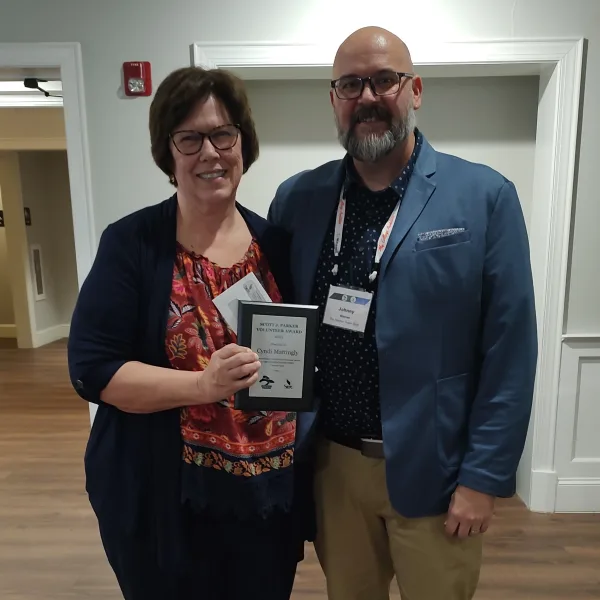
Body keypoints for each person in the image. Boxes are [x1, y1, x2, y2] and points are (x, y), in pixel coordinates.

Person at [267, 26, 538, 600]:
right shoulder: (298, 200)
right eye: (350, 85)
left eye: (384, 80)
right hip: (333, 468)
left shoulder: (484, 197)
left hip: (438, 471)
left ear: (415, 90)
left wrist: (483, 478)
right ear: (334, 100)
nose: (367, 97)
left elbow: (510, 351)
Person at [67, 66, 309, 600]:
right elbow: (93, 370)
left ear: (243, 143)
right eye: (190, 139)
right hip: (163, 502)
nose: (210, 153)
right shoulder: (132, 244)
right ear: (168, 152)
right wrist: (203, 386)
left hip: (267, 501)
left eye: (223, 134)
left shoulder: (277, 245)